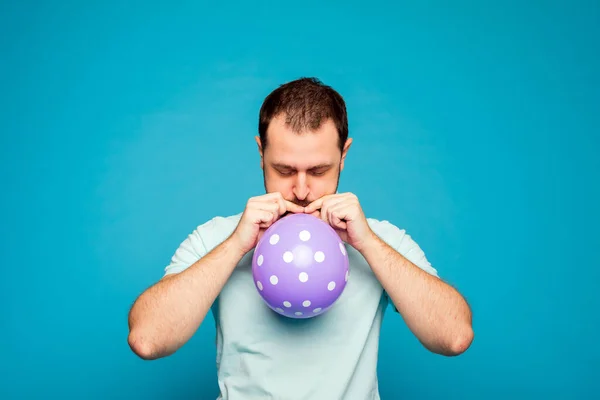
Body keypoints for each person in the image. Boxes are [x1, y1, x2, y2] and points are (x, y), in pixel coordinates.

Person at [127, 77, 474, 399]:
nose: (302, 190)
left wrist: (367, 244)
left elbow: (455, 337)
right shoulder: (217, 237)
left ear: (344, 155)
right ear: (261, 153)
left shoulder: (380, 240)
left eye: (319, 171)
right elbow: (147, 339)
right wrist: (235, 246)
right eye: (285, 170)